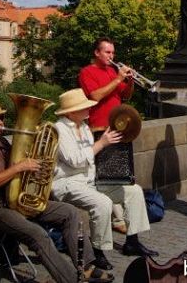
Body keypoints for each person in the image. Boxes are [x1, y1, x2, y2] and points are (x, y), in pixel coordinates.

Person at [0, 99, 113, 283]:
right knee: (38, 235)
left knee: (70, 212)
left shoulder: (3, 143)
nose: (1, 122)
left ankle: (88, 267)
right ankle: (71, 280)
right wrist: (19, 168)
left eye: (1, 117)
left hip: (17, 199)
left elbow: (20, 169)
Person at [51, 89, 158, 272]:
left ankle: (132, 242)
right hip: (67, 183)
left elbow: (91, 158)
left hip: (90, 180)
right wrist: (102, 143)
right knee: (102, 203)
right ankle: (97, 251)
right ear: (70, 112)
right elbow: (75, 160)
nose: (88, 110)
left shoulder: (83, 126)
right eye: (83, 107)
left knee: (134, 190)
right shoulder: (58, 129)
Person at [79, 36, 134, 234]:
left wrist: (130, 80)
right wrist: (119, 78)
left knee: (118, 173)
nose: (112, 56)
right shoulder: (87, 72)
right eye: (107, 52)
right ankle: (116, 219)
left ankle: (119, 218)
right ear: (97, 52)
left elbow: (125, 95)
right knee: (105, 175)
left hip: (117, 126)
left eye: (113, 52)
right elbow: (95, 96)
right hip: (99, 128)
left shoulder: (112, 71)